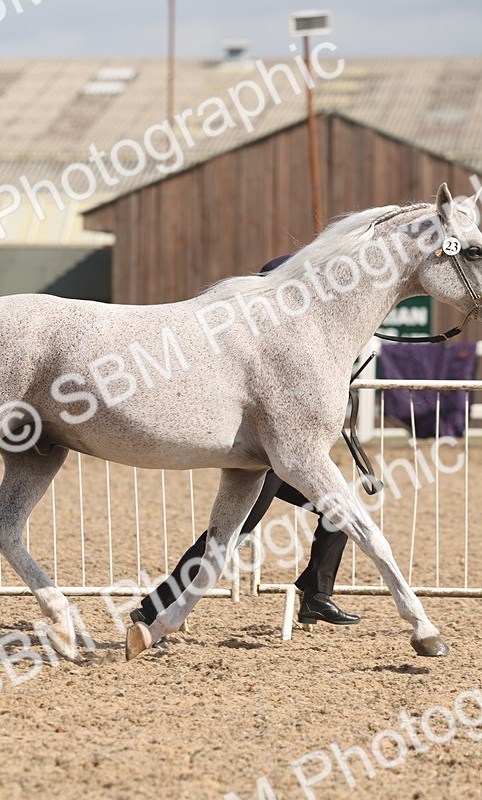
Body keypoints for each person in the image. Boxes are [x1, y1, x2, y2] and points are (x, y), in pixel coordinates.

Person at [131, 255, 362, 638]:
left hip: (288, 454)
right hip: (263, 454)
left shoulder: (310, 325)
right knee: (234, 531)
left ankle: (316, 593)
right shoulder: (269, 314)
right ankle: (155, 608)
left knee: (337, 508)